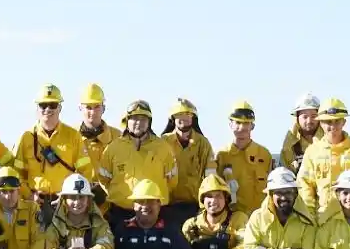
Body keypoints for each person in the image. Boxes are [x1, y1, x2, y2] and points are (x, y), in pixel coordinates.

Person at [96, 100, 178, 229]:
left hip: (154, 214)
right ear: (127, 121)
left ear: (149, 122)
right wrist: (119, 196)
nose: (138, 123)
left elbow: (172, 181)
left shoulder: (163, 148)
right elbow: (103, 178)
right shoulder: (113, 148)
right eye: (134, 119)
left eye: (143, 119)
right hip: (121, 213)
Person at [15, 84, 84, 219]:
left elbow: (84, 172)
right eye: (43, 105)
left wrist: (72, 196)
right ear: (37, 109)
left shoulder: (73, 136)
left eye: (52, 105)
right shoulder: (27, 137)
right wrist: (29, 195)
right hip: (34, 203)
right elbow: (17, 173)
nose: (48, 109)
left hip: (65, 203)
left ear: (60, 108)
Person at [297, 98, 350, 219]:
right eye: (328, 122)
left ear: (344, 122)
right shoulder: (312, 151)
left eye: (337, 121)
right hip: (324, 217)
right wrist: (309, 214)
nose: (332, 126)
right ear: (321, 124)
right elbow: (305, 184)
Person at [160, 97, 215, 229]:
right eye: (179, 115)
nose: (183, 118)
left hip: (194, 206)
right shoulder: (162, 142)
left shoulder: (203, 144)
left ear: (193, 118)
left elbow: (210, 176)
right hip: (167, 206)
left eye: (187, 115)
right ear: (172, 119)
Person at [215, 101, 272, 223]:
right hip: (231, 220)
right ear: (230, 124)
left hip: (261, 218)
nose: (242, 128)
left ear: (252, 126)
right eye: (238, 122)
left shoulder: (264, 155)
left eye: (246, 123)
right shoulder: (221, 155)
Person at [74, 83, 116, 197]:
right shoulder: (71, 137)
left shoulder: (117, 137)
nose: (92, 112)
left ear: (104, 108)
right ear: (80, 108)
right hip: (79, 201)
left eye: (97, 106)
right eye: (88, 107)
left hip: (111, 203)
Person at [279, 94, 321, 173]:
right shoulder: (289, 145)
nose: (309, 121)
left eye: (314, 116)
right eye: (305, 117)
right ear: (297, 118)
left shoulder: (329, 140)